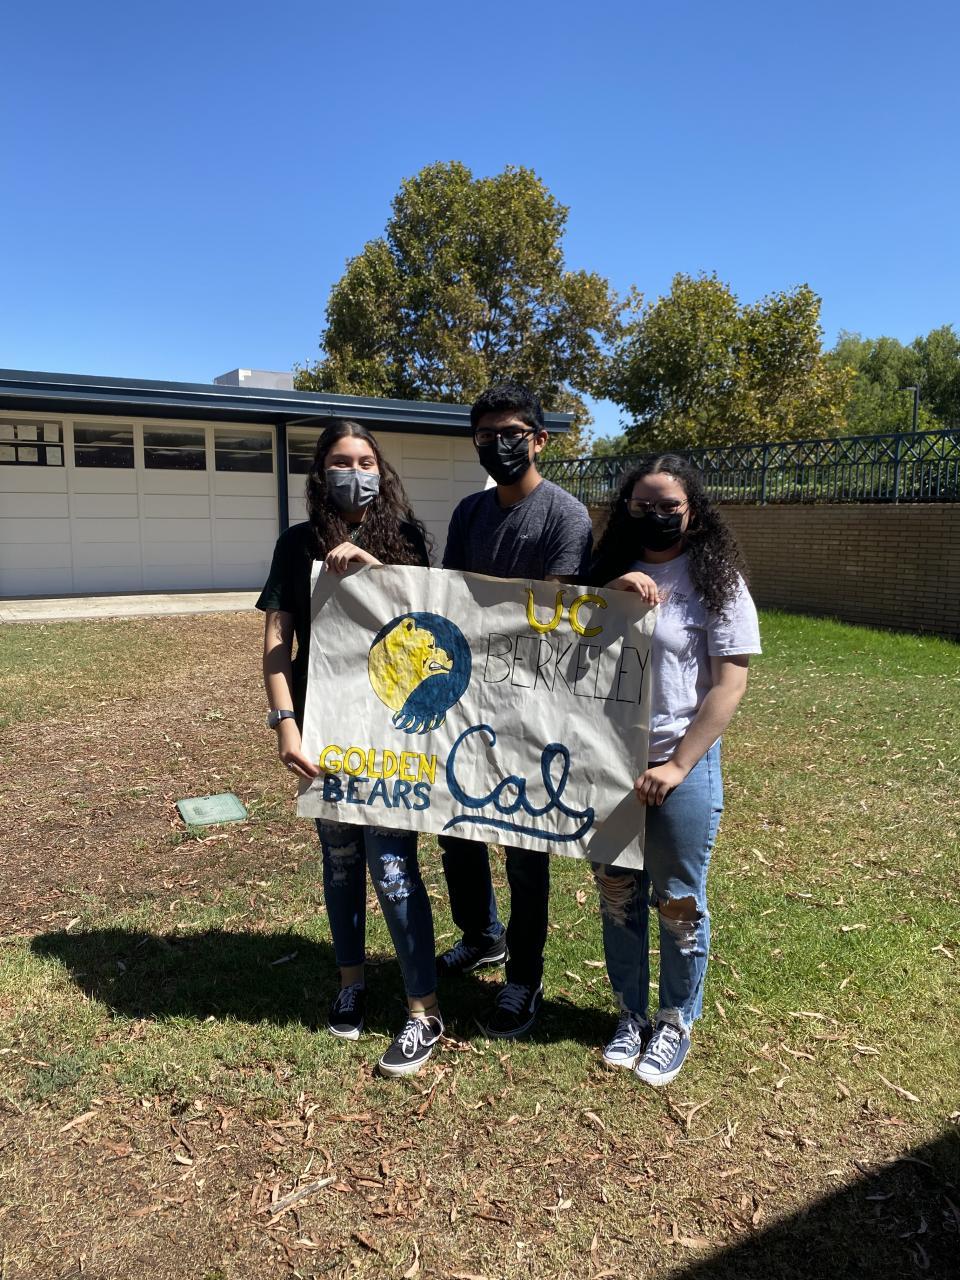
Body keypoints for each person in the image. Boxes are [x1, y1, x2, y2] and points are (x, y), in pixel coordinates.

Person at [257, 420, 443, 1078]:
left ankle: (424, 1010)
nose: (355, 473)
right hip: (324, 732)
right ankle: (351, 982)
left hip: (391, 735)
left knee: (391, 867)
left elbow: (430, 620)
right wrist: (286, 724)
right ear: (321, 472)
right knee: (339, 864)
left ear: (380, 471)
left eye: (366, 461)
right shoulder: (296, 543)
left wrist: (375, 571)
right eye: (342, 461)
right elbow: (277, 642)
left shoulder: (407, 538)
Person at [589, 453, 761, 1086]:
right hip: (610, 763)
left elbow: (729, 685)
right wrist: (608, 594)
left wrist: (679, 764)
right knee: (618, 893)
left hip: (679, 767)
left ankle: (674, 1020)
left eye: (669, 506)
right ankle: (630, 1014)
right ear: (625, 508)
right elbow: (566, 651)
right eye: (643, 505)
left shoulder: (718, 581)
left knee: (678, 898)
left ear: (693, 511)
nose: (655, 515)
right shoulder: (602, 573)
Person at [438, 382, 594, 1037]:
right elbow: (450, 594)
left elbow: (553, 608)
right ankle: (483, 935)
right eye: (486, 436)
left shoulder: (566, 516)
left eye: (512, 434)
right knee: (455, 826)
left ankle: (524, 978)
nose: (498, 445)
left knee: (527, 847)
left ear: (539, 440)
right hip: (470, 694)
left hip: (537, 703)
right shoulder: (468, 514)